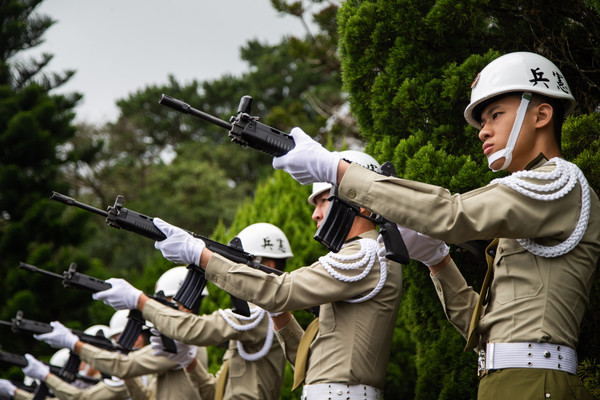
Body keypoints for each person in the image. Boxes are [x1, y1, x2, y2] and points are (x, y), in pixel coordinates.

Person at [270, 52, 600, 399]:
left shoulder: (558, 183)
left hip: (533, 383)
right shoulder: (538, 198)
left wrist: (335, 168)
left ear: (542, 114)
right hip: (511, 380)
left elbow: (451, 213)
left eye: (496, 115)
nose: (483, 131)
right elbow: (484, 330)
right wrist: (438, 261)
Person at [144, 151, 448, 399]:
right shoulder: (357, 257)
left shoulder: (365, 255)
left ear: (361, 202)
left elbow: (279, 291)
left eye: (324, 200)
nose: (315, 214)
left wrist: (199, 256)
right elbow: (311, 363)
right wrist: (280, 316)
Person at [93, 223, 294, 399]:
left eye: (239, 264)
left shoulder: (259, 316)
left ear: (267, 265)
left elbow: (193, 329)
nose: (233, 271)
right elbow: (214, 394)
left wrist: (139, 301)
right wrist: (189, 363)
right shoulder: (251, 320)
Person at [33, 267, 208, 400]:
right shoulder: (184, 340)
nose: (158, 308)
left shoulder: (182, 340)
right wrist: (125, 375)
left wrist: (74, 344)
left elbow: (123, 366)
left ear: (182, 302)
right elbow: (145, 396)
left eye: (164, 302)